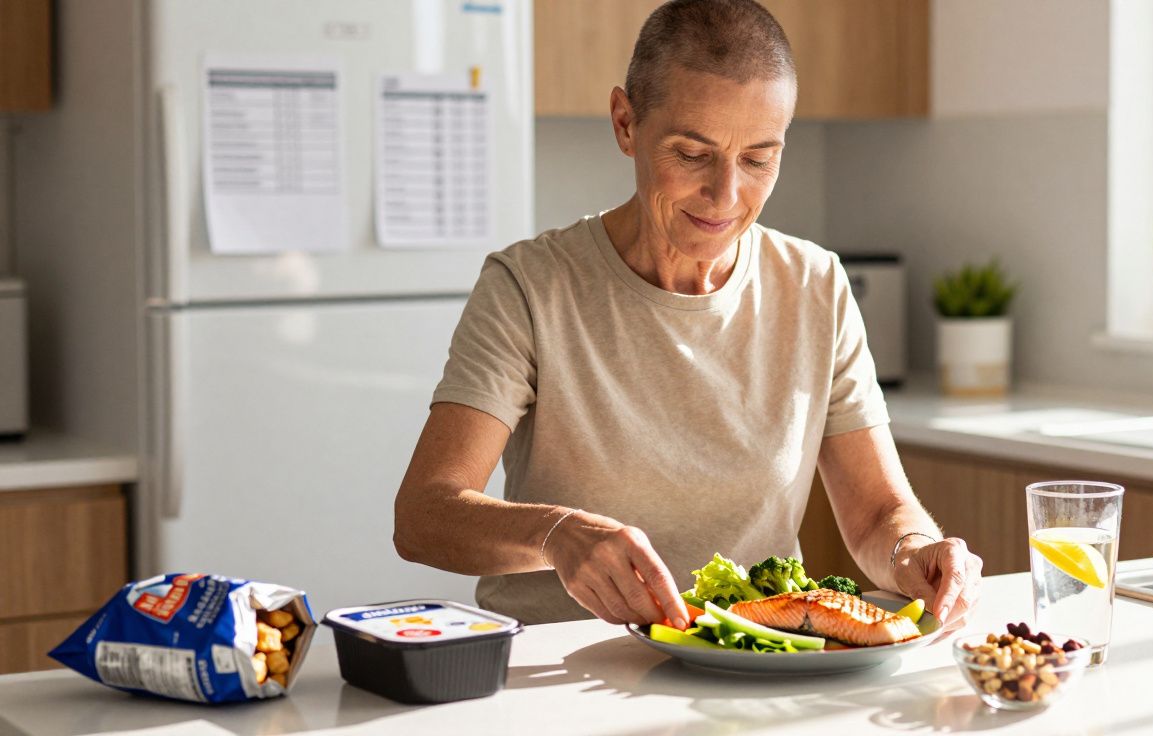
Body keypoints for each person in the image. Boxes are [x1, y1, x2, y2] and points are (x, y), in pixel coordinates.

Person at [394, 0, 982, 631]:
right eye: (692, 153)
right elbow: (424, 516)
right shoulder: (531, 287)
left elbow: (874, 516)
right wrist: (555, 534)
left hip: (755, 662)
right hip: (562, 669)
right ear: (625, 123)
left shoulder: (816, 285)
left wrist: (914, 550)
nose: (726, 196)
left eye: (759, 158)